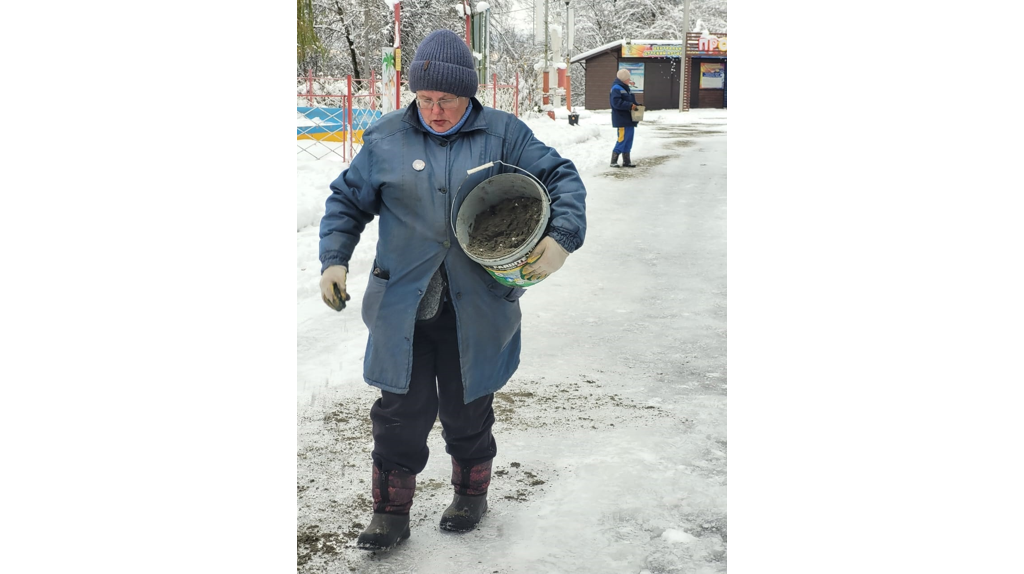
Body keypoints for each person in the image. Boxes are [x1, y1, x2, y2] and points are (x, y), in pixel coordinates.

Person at [318, 28, 588, 551]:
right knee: (399, 411)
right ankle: (390, 511)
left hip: (478, 305)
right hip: (404, 307)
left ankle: (470, 494)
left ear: (469, 95)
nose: (436, 111)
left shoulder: (504, 135)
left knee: (468, 406)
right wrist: (334, 259)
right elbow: (347, 201)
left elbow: (562, 178)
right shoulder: (386, 139)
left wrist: (560, 241)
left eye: (448, 100)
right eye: (425, 99)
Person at [609, 68, 640, 168]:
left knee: (629, 139)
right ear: (623, 79)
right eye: (628, 78)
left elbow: (631, 101)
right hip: (622, 119)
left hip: (629, 119)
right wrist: (630, 106)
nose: (629, 80)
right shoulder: (616, 88)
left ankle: (627, 161)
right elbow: (616, 103)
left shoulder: (626, 88)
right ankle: (613, 160)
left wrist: (637, 106)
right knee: (622, 139)